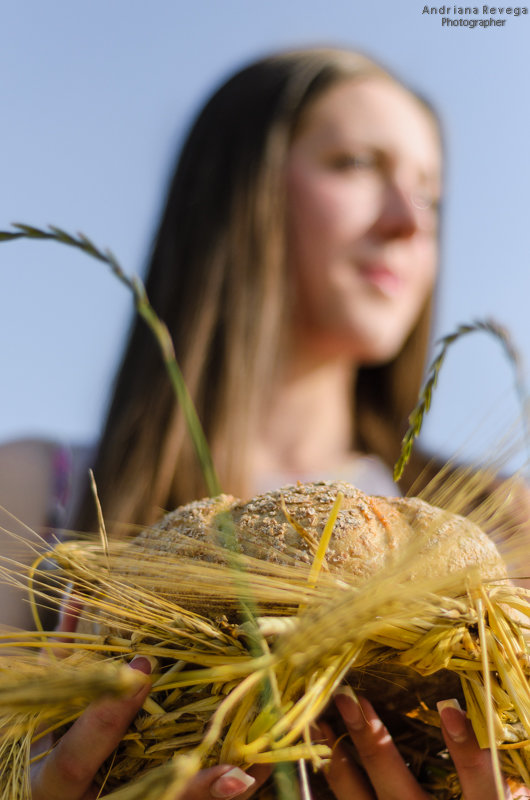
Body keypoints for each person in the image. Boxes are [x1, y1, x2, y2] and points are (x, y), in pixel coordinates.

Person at [0, 45, 525, 799]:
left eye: (432, 196)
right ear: (235, 193)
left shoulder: (502, 527)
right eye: (353, 164)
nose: (409, 222)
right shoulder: (33, 493)